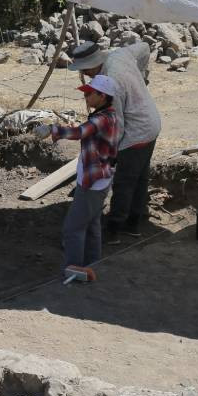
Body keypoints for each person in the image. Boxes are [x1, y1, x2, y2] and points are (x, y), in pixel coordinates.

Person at [69, 39, 161, 241]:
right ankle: (134, 223)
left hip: (136, 132)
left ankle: (113, 231)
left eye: (85, 70)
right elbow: (145, 47)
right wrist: (143, 77)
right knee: (139, 178)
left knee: (124, 183)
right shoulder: (119, 54)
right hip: (152, 123)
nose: (85, 75)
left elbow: (116, 126)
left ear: (93, 64)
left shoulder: (111, 83)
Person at [35, 74, 121, 281]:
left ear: (102, 96)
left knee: (73, 228)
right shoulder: (109, 115)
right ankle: (93, 266)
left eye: (90, 94)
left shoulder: (101, 118)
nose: (86, 97)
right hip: (100, 178)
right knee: (91, 226)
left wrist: (52, 129)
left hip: (93, 182)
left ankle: (73, 272)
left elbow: (79, 132)